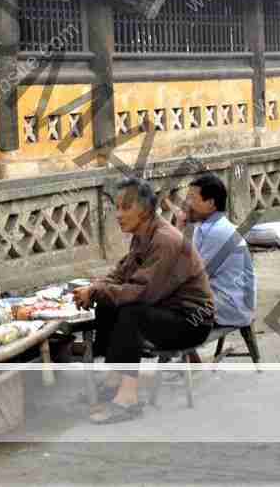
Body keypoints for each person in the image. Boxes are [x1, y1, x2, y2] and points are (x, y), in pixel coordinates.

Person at [72, 179, 215, 424]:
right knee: (108, 302)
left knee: (131, 313)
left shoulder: (164, 240)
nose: (118, 215)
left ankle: (128, 399)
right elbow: (122, 271)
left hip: (192, 321)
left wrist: (98, 291)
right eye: (116, 207)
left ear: (146, 210)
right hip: (165, 310)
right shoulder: (142, 235)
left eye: (125, 207)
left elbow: (141, 292)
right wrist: (95, 288)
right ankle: (114, 379)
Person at [175, 173, 256, 333]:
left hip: (231, 308)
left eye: (192, 198)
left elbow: (191, 276)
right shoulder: (205, 227)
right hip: (218, 298)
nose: (187, 204)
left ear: (210, 203)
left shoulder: (217, 232)